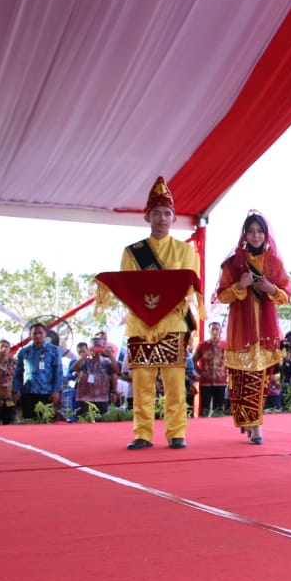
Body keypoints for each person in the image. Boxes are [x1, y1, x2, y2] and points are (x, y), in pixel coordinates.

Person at [94, 176, 204, 450]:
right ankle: (142, 433)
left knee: (175, 384)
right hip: (140, 325)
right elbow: (129, 289)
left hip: (173, 325)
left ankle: (176, 432)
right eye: (156, 213)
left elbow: (191, 288)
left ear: (173, 217)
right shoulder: (133, 252)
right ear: (147, 216)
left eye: (167, 213)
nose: (162, 218)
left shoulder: (185, 251)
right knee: (141, 384)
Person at [215, 212, 291, 445]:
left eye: (260, 231)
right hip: (241, 330)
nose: (256, 235)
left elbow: (286, 294)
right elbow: (222, 295)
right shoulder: (233, 264)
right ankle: (246, 420)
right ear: (245, 234)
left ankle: (256, 424)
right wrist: (240, 285)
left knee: (260, 377)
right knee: (241, 378)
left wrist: (270, 288)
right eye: (251, 231)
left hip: (265, 332)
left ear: (266, 235)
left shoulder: (273, 263)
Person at [13, 323, 62, 420]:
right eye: (35, 333)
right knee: (28, 421)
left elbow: (58, 372)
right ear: (30, 335)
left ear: (45, 334)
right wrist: (15, 390)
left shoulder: (54, 350)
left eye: (40, 333)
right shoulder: (24, 351)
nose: (38, 336)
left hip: (46, 392)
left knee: (44, 421)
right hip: (27, 391)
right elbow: (18, 372)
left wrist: (56, 391)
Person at [72, 337, 118, 416]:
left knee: (101, 423)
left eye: (100, 346)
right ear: (90, 347)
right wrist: (85, 355)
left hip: (102, 397)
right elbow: (74, 368)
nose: (97, 349)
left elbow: (116, 371)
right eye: (95, 346)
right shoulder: (85, 360)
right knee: (83, 420)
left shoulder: (106, 361)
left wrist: (110, 355)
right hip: (84, 397)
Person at [194, 322, 228, 416]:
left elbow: (230, 361)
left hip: (220, 381)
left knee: (219, 408)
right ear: (209, 331)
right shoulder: (202, 345)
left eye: (217, 329)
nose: (215, 331)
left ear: (220, 331)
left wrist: (227, 372)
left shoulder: (225, 345)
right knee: (205, 407)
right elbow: (193, 360)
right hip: (206, 381)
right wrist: (199, 372)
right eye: (213, 329)